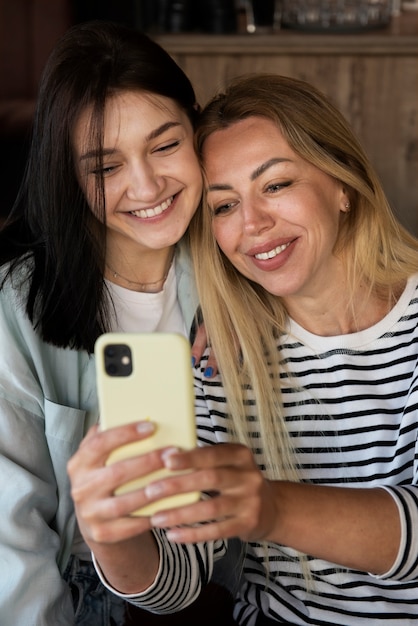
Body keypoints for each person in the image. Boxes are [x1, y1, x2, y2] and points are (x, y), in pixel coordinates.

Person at [67, 74, 418, 625]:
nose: (253, 225)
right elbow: (177, 584)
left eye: (275, 185)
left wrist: (271, 509)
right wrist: (113, 536)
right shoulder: (221, 360)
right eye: (223, 206)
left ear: (342, 183)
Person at [0, 19, 219, 626]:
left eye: (165, 144)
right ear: (68, 176)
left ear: (196, 127)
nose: (146, 185)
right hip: (85, 598)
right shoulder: (13, 311)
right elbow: (11, 538)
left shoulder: (244, 271)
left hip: (229, 589)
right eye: (105, 167)